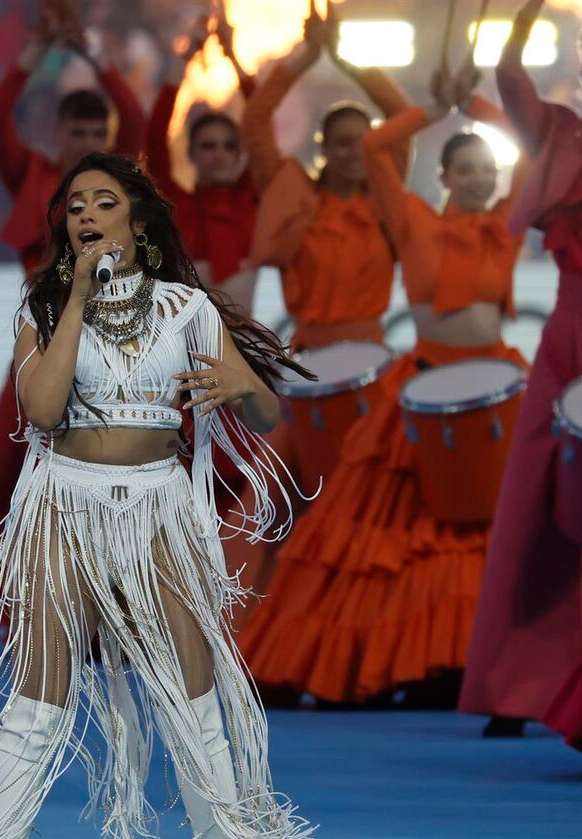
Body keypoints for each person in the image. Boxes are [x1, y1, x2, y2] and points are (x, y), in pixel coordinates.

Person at [0, 152, 314, 839]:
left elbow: (265, 412)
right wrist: (77, 297)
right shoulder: (44, 305)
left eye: (104, 201)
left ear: (139, 221)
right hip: (63, 505)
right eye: (74, 204)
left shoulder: (189, 309)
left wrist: (239, 392)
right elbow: (42, 409)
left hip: (158, 509)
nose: (86, 213)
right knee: (37, 704)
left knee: (196, 711)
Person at [238, 63, 529, 707]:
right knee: (372, 532)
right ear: (445, 178)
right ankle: (357, 662)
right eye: (466, 170)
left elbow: (533, 150)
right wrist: (436, 107)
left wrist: (474, 104)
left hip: (495, 382)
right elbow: (375, 147)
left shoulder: (509, 220)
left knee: (480, 536)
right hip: (411, 381)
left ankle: (461, 666)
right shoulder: (410, 217)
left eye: (489, 169)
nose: (480, 179)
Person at [0, 5, 146, 638]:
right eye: (77, 132)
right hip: (40, 347)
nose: (87, 141)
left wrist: (94, 53)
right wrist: (35, 54)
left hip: (110, 353)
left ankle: (107, 609)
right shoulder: (34, 177)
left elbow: (143, 117)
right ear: (59, 134)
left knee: (113, 478)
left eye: (98, 131)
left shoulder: (116, 190)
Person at [227, 6, 410, 600]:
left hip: (376, 372)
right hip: (307, 372)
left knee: (378, 506)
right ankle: (283, 620)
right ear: (324, 146)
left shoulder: (385, 202)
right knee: (292, 502)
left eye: (366, 140)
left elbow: (405, 116)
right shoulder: (295, 199)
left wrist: (350, 60)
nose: (358, 150)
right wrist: (306, 58)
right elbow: (256, 121)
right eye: (345, 141)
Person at [459, 0, 582, 743]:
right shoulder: (562, 132)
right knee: (533, 512)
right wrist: (528, 10)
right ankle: (511, 688)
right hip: (568, 337)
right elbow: (507, 75)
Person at [147, 12, 258, 313]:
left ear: (239, 154)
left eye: (228, 146)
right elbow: (155, 139)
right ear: (191, 153)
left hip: (247, 349)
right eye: (208, 146)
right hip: (188, 352)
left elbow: (261, 123)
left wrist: (233, 57)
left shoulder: (249, 201)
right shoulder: (176, 205)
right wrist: (183, 62)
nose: (219, 153)